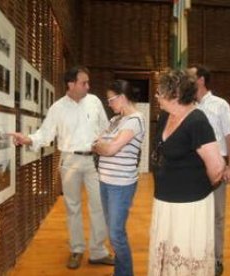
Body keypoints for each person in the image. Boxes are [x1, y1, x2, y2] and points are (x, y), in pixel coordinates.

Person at [10, 66, 114, 269]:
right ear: (71, 84)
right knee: (72, 207)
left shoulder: (94, 102)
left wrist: (107, 146)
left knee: (99, 206)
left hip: (94, 161)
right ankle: (76, 249)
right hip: (69, 161)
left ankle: (98, 251)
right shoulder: (57, 108)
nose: (88, 86)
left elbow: (106, 128)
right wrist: (27, 139)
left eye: (88, 82)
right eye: (84, 82)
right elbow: (45, 134)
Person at [148, 68, 225, 276]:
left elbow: (217, 168)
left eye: (160, 93)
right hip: (165, 201)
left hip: (190, 206)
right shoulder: (165, 116)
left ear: (175, 95)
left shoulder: (197, 121)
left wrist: (195, 187)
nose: (157, 97)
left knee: (186, 258)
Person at [92, 79, 146, 276]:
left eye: (111, 99)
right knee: (112, 232)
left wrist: (102, 146)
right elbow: (98, 142)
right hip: (105, 181)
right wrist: (102, 146)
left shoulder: (136, 119)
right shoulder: (116, 120)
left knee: (116, 234)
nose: (109, 103)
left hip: (121, 185)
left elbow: (110, 148)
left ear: (122, 98)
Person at [188, 65, 230, 276]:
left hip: (217, 168)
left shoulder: (220, 105)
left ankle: (216, 260)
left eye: (190, 76)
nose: (186, 79)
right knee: (195, 214)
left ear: (200, 80)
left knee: (217, 216)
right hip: (193, 170)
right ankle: (198, 255)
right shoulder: (187, 106)